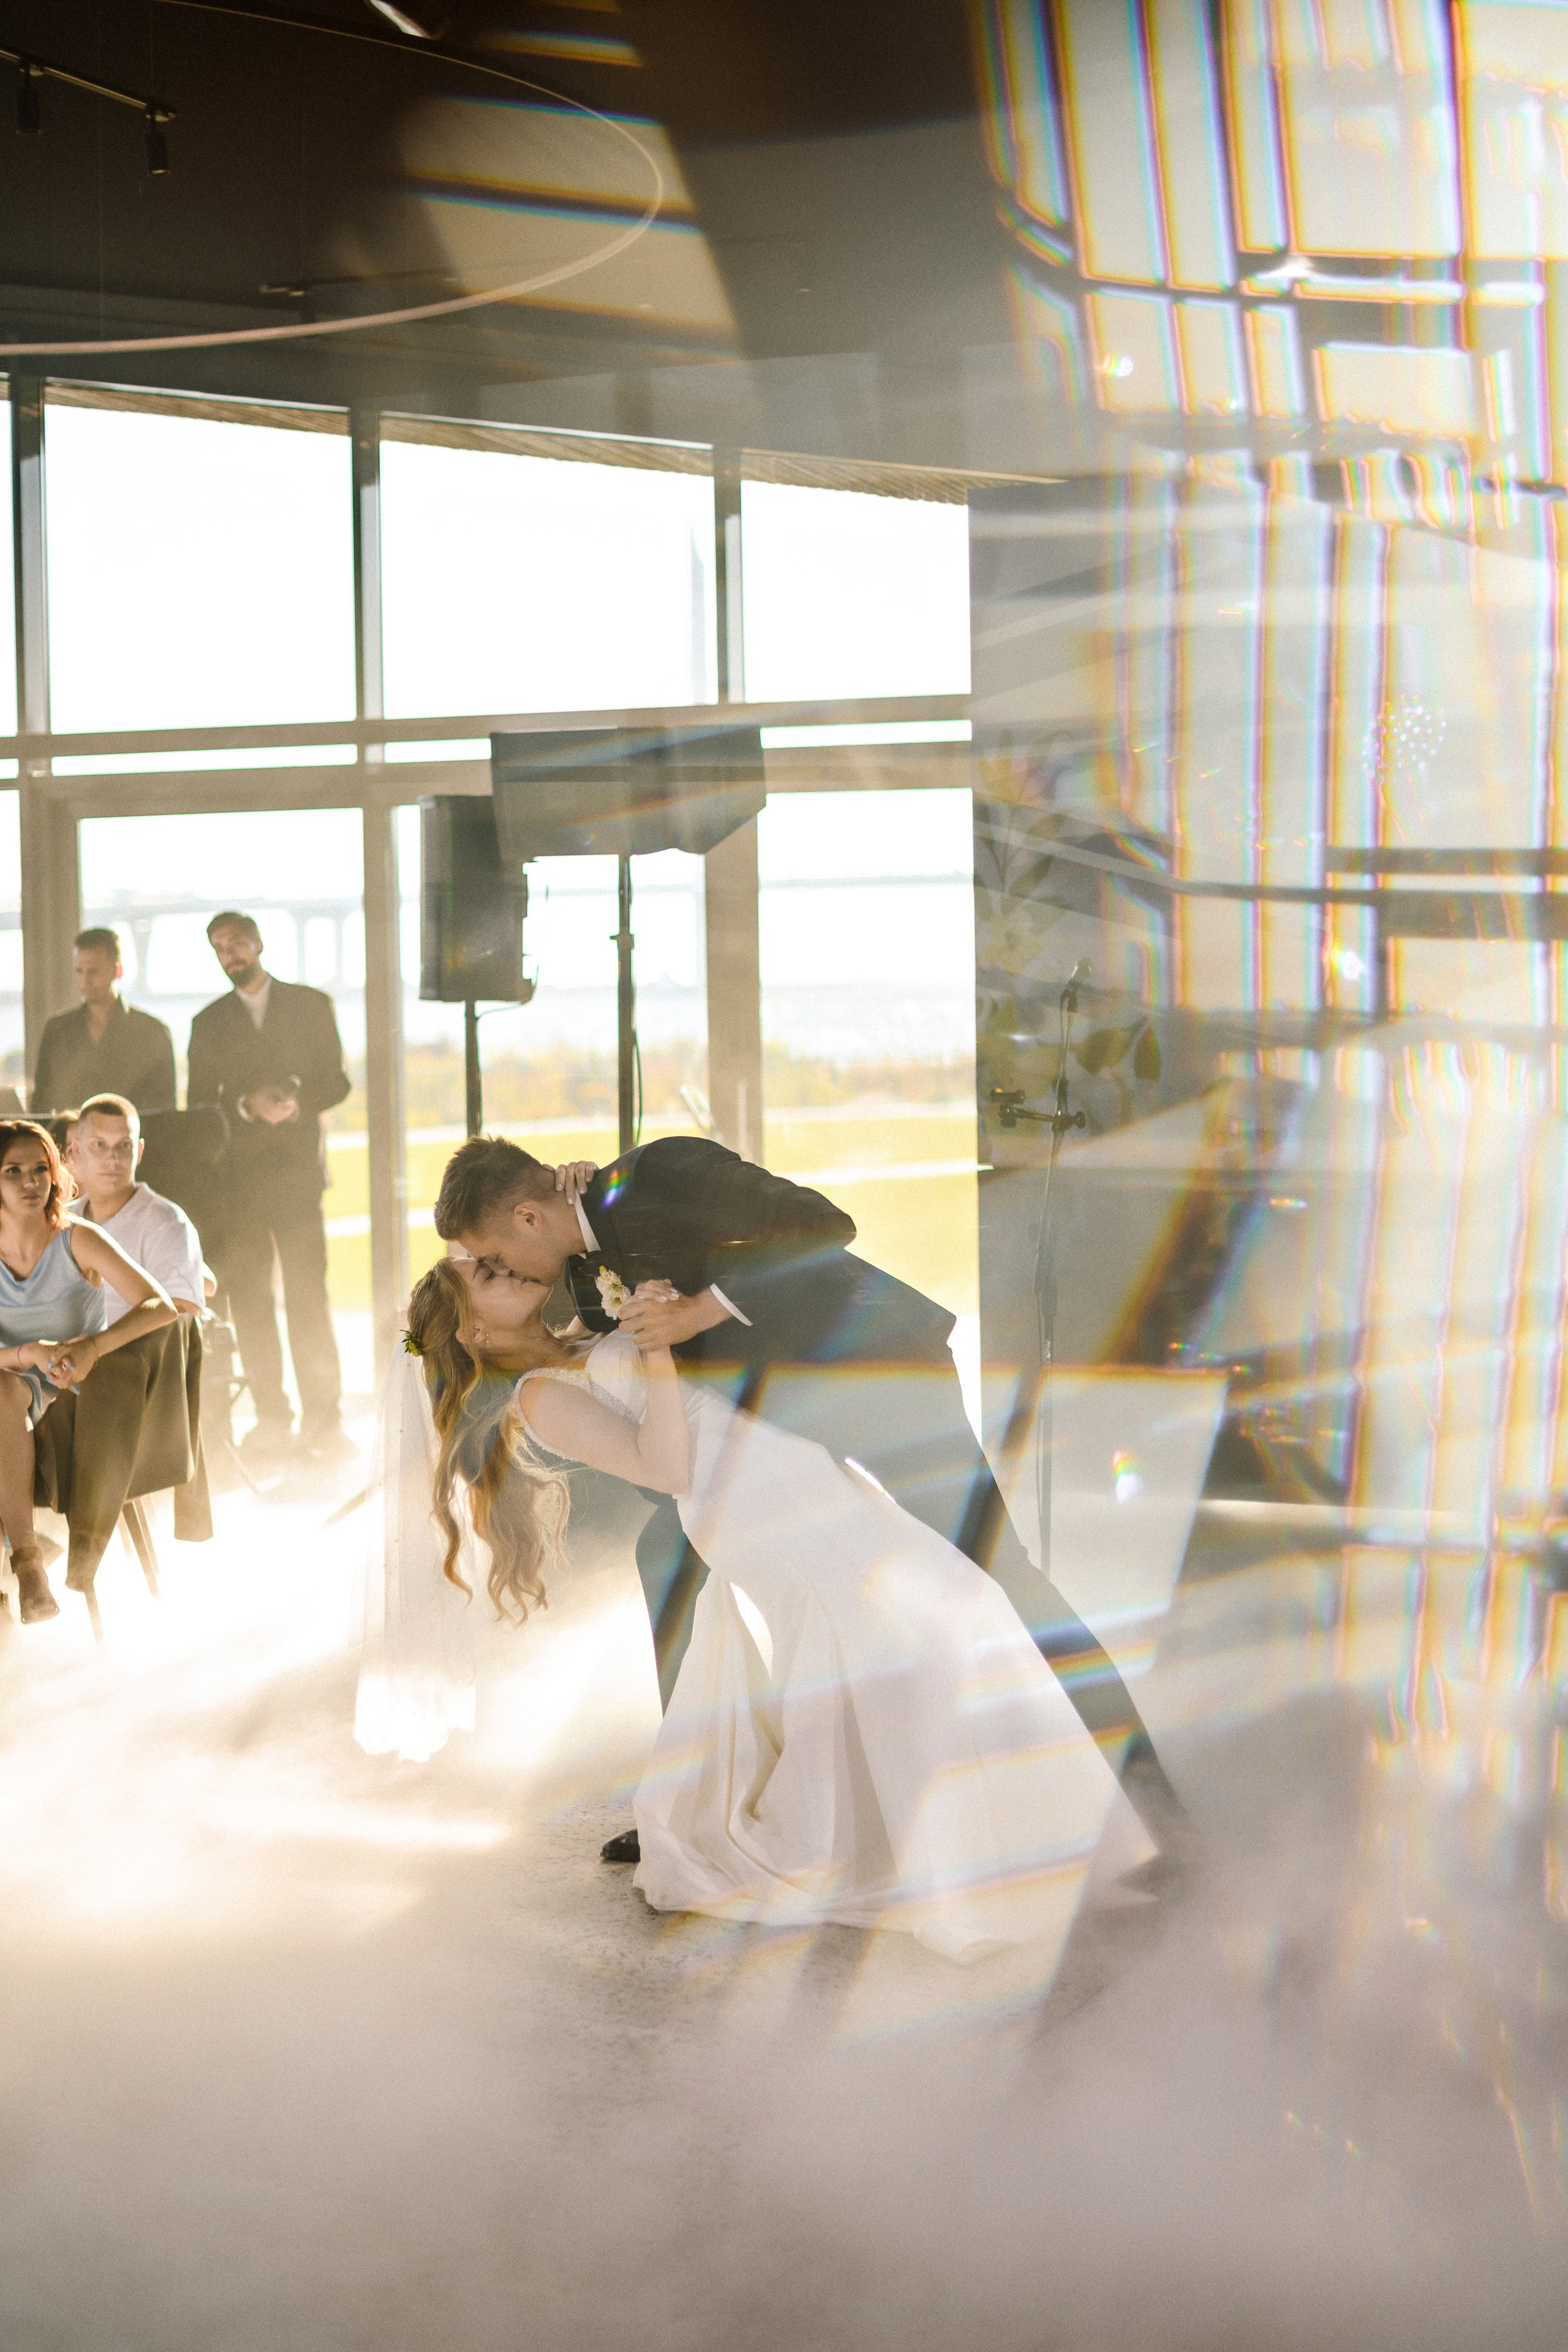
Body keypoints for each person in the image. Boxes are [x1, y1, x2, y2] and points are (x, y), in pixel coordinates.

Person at [432, 1133, 1182, 1865]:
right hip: (770, 1436)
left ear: (528, 1217)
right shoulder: (577, 1273)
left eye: (494, 1256)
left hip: (872, 1372)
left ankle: (1137, 1780)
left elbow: (822, 1224)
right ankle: (702, 1804)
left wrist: (699, 1311)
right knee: (664, 1556)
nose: (498, 1269)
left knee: (992, 1563)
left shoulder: (662, 1168)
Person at [386, 1256, 1151, 1963]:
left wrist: (649, 1312)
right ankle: (963, 1860)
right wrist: (655, 1350)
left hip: (789, 1466)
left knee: (952, 1609)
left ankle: (1036, 1836)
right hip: (745, 1503)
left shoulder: (579, 1335)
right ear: (474, 1332)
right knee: (919, 1627)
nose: (505, 1267)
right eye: (485, 1275)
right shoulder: (538, 1397)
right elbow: (665, 1467)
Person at [187, 911, 352, 1460]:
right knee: (251, 1301)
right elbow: (198, 1106)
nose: (229, 955)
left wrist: (297, 1103)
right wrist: (245, 1105)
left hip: (300, 1181)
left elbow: (338, 1081)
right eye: (219, 948)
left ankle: (325, 1421)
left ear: (258, 943)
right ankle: (272, 1420)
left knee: (309, 1298)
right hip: (238, 1187)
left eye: (236, 943)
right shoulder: (207, 1022)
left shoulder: (311, 1005)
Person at [0, 1120, 176, 1624]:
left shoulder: (77, 1240)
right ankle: (28, 1563)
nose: (31, 1182)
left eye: (41, 1169)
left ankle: (27, 1562)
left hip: (75, 1400)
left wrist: (95, 1347)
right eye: (13, 1171)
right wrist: (27, 1353)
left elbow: (160, 1305)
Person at [66, 1094, 211, 1320]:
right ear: (77, 1151)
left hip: (132, 1346)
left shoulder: (166, 1223)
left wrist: (100, 1341)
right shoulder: (62, 1220)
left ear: (139, 1151)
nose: (112, 1159)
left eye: (124, 1145)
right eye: (99, 1145)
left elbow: (182, 1315)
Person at [30, 927, 176, 1116]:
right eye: (79, 971)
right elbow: (41, 1104)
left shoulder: (151, 1032)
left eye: (94, 971)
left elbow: (164, 1109)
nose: (85, 981)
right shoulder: (57, 1030)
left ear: (117, 971)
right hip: (71, 1134)